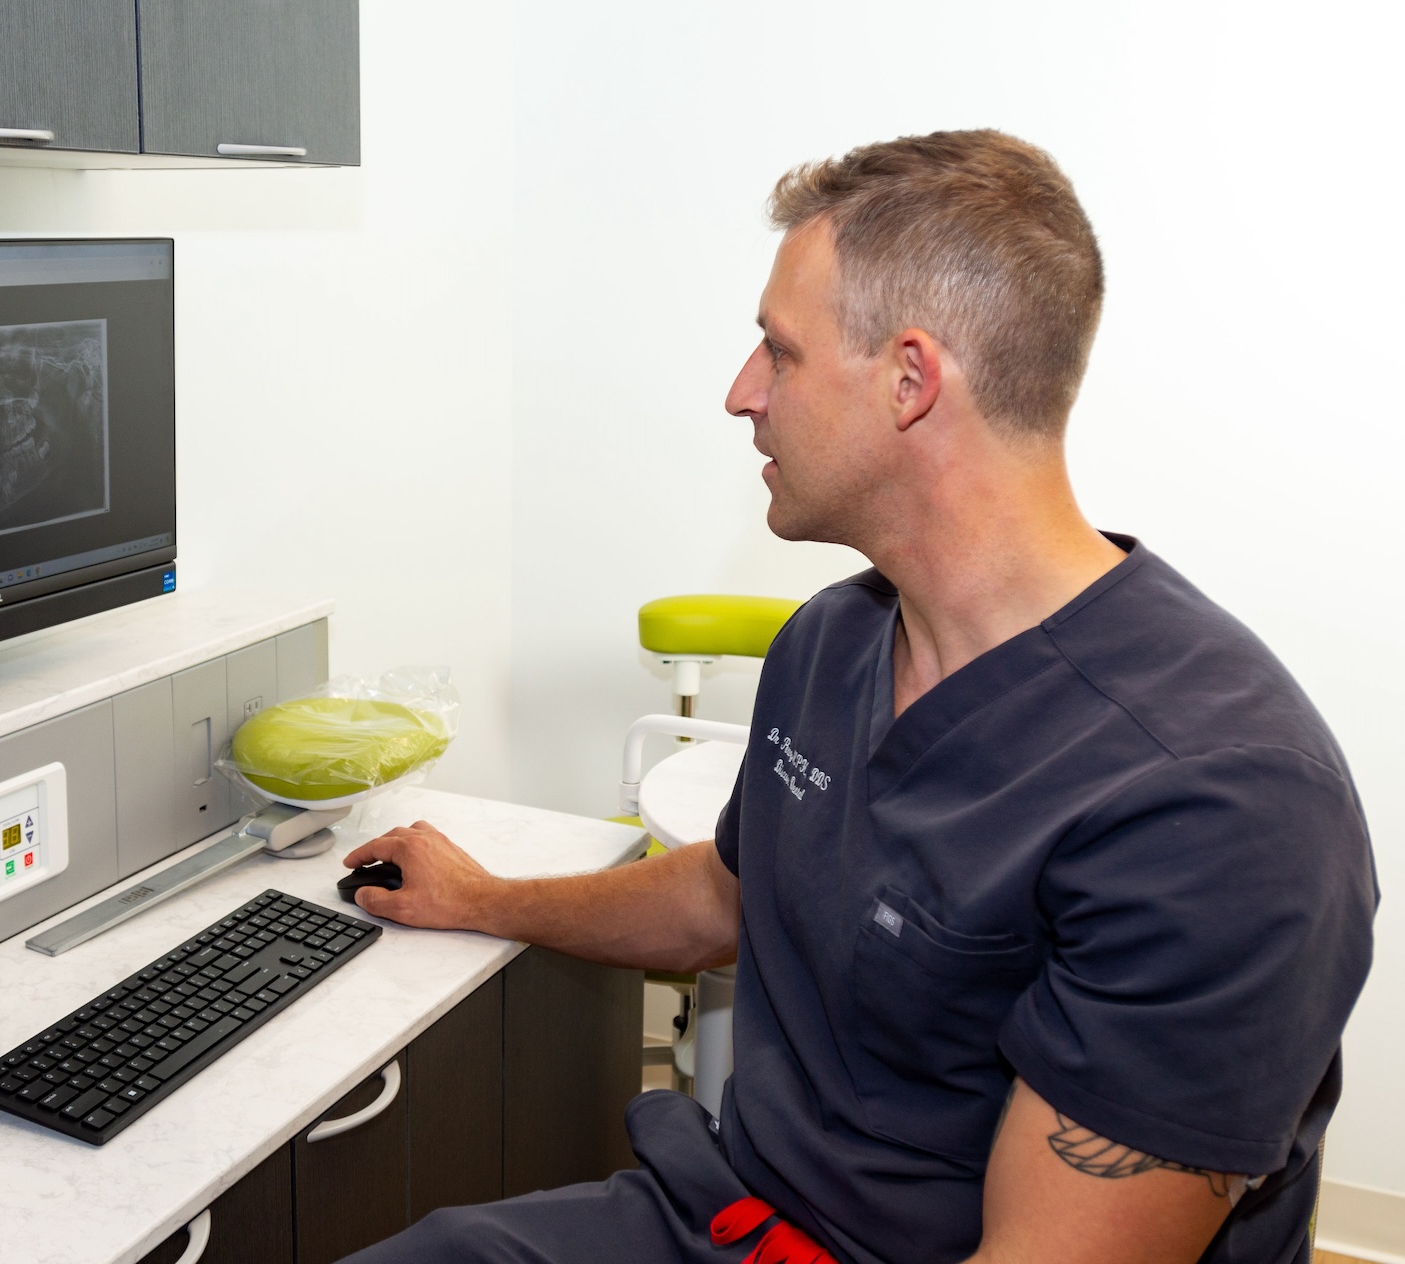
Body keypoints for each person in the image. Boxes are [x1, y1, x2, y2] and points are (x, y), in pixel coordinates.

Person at [337, 131, 1377, 1264]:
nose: (741, 395)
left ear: (910, 380)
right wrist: (487, 896)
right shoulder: (834, 640)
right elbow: (733, 895)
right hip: (733, 1218)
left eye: (776, 354)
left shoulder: (1219, 802)